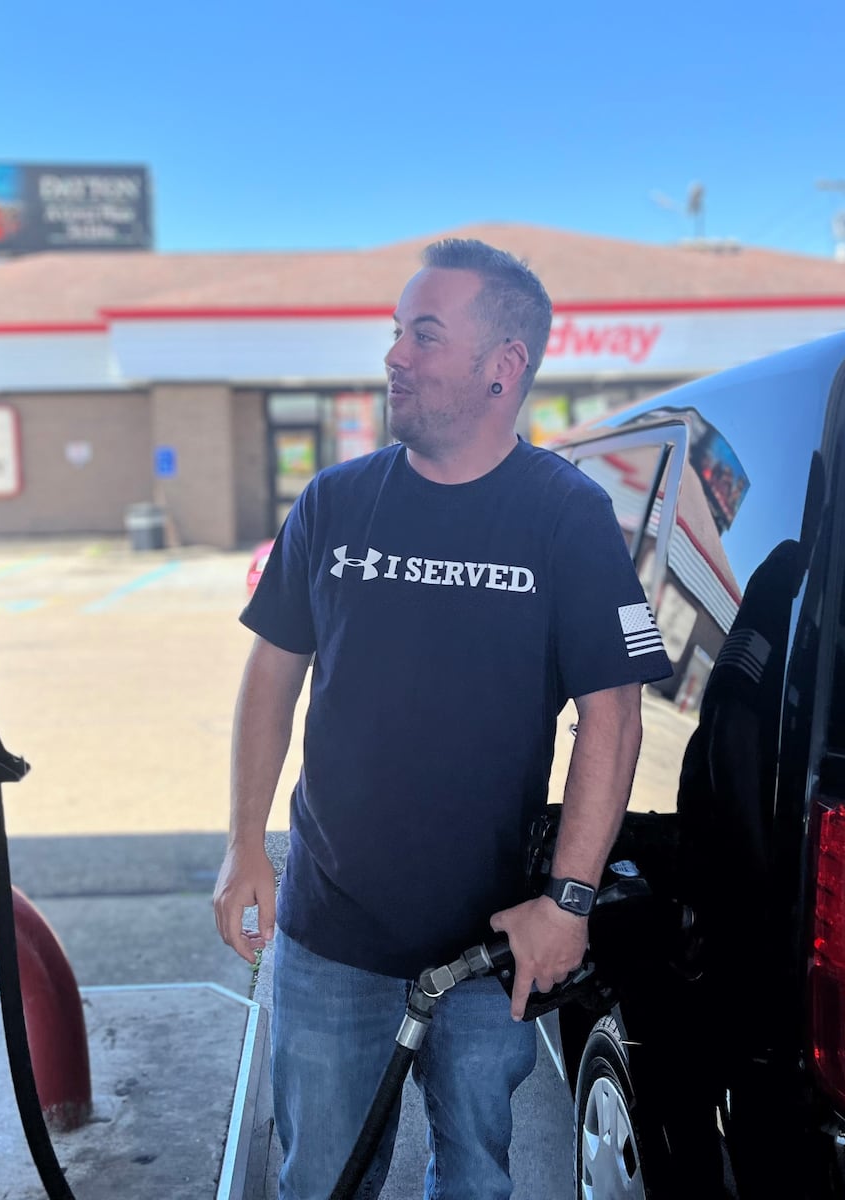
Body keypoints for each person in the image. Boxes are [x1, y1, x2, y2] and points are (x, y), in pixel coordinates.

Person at [212, 238, 674, 1199]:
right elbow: (272, 674)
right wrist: (243, 843)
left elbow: (614, 718)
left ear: (504, 366)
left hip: (487, 947)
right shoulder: (336, 504)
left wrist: (570, 902)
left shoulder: (565, 517)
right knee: (321, 1182)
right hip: (328, 936)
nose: (394, 356)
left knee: (474, 1179)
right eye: (395, 332)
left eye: (425, 335)